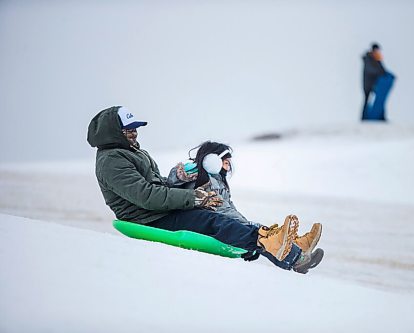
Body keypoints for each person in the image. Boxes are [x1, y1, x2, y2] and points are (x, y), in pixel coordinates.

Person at [86, 106, 318, 272]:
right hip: (147, 218)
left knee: (218, 220)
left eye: (135, 128)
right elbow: (146, 196)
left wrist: (178, 180)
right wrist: (194, 197)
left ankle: (293, 253)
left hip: (157, 212)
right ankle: (290, 254)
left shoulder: (133, 152)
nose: (135, 133)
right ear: (114, 131)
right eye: (129, 129)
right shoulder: (112, 161)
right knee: (212, 221)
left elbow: (157, 187)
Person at [166, 141, 324, 273]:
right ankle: (296, 259)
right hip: (207, 224)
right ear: (211, 161)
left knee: (262, 230)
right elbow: (217, 210)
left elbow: (229, 208)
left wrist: (246, 222)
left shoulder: (217, 181)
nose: (228, 167)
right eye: (225, 162)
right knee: (263, 235)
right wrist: (246, 225)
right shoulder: (199, 177)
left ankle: (298, 248)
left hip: (222, 220)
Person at [362, 43, 386, 120]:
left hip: (376, 83)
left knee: (380, 98)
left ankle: (381, 116)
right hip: (368, 84)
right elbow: (371, 69)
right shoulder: (368, 58)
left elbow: (382, 69)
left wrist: (385, 73)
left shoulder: (376, 58)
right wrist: (380, 72)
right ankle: (364, 117)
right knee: (367, 100)